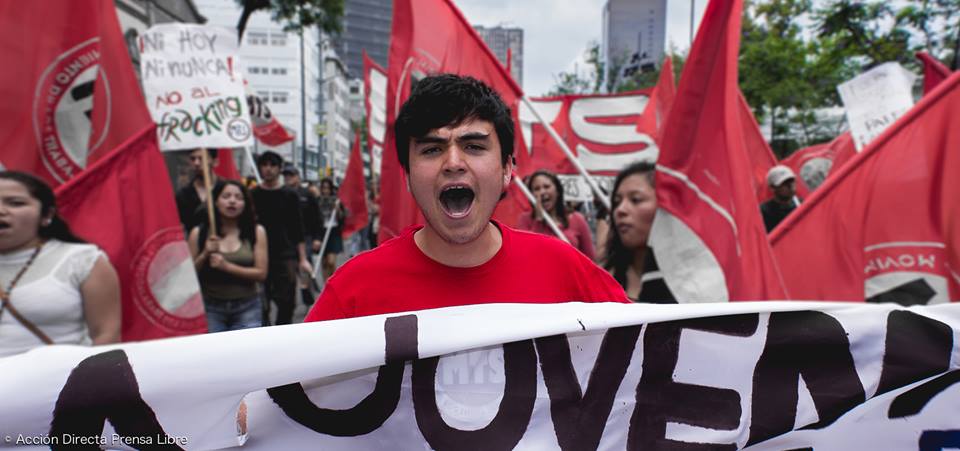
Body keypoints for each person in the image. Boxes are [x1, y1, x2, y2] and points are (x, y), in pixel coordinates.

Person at [305, 74, 627, 323]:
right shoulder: (354, 291)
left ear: (506, 169)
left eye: (474, 146)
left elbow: (655, 355)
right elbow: (284, 394)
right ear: (406, 175)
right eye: (432, 149)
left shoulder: (563, 269)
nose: (454, 163)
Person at [0, 171, 121, 357]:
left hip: (58, 382)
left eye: (16, 203)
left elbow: (106, 333)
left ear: (46, 215)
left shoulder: (82, 260)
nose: (2, 210)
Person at [189, 180, 268, 332]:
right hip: (210, 308)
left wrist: (226, 266)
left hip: (248, 307)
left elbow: (261, 273)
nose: (232, 201)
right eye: (226, 196)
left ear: (245, 203)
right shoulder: (199, 234)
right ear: (216, 201)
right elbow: (188, 276)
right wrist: (205, 254)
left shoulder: (256, 232)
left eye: (238, 197)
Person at [251, 151, 312, 325]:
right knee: (261, 303)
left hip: (286, 256)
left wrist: (302, 259)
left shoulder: (290, 195)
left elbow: (298, 228)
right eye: (264, 165)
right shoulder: (253, 194)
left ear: (279, 169)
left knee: (286, 303)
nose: (268, 169)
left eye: (273, 165)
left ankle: (282, 336)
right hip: (259, 255)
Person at [603, 161, 675, 303]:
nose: (621, 210)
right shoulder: (602, 282)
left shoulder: (694, 283)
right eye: (616, 202)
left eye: (635, 200)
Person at [518, 169, 595, 259]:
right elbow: (525, 254)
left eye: (546, 187)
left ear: (557, 191)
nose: (542, 192)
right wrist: (538, 221)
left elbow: (590, 258)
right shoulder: (525, 220)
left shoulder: (577, 219)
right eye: (536, 189)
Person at [282, 165, 321, 304]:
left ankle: (306, 289)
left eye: (291, 175)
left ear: (297, 177)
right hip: (287, 237)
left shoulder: (307, 194)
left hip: (307, 236)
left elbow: (317, 217)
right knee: (291, 267)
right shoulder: (281, 193)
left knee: (305, 263)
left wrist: (317, 238)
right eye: (286, 175)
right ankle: (303, 289)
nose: (288, 178)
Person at [176, 148, 219, 235]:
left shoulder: (225, 189)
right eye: (193, 159)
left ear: (215, 162)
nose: (196, 163)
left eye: (201, 158)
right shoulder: (183, 195)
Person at [316, 178, 346, 283]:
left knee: (331, 261)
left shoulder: (336, 200)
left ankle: (333, 281)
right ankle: (326, 285)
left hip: (333, 232)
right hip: (322, 232)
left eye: (328, 188)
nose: (326, 191)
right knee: (324, 262)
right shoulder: (317, 200)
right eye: (323, 188)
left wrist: (337, 209)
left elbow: (343, 217)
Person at [761, 165, 801, 233]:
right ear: (773, 188)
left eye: (791, 181)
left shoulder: (801, 204)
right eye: (784, 183)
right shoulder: (763, 212)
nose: (790, 186)